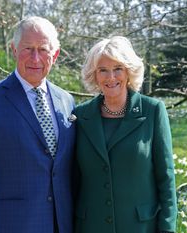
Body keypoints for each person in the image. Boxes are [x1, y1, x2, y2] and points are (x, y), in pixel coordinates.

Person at [0, 16, 76, 233]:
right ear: (14, 49)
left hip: (61, 225)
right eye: (27, 49)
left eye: (43, 49)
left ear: (55, 54)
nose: (35, 58)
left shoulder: (67, 101)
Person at [74, 36, 177, 233]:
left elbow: (166, 178)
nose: (110, 77)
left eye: (118, 69)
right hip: (90, 226)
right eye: (102, 70)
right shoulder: (80, 116)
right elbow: (73, 180)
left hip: (140, 226)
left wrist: (167, 228)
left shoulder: (153, 111)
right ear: (94, 75)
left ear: (129, 72)